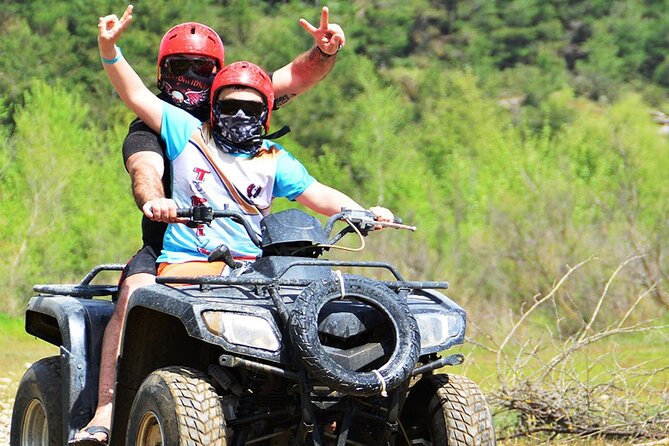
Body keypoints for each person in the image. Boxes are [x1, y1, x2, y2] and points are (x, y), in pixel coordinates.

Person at [71, 5, 347, 445]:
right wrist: (156, 200)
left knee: (303, 298)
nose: (191, 78)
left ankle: (319, 402)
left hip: (243, 250)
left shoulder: (235, 99)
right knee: (133, 292)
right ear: (163, 72)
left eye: (202, 68)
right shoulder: (162, 123)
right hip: (171, 240)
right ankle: (106, 409)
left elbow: (292, 78)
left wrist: (324, 50)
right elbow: (145, 169)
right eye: (180, 67)